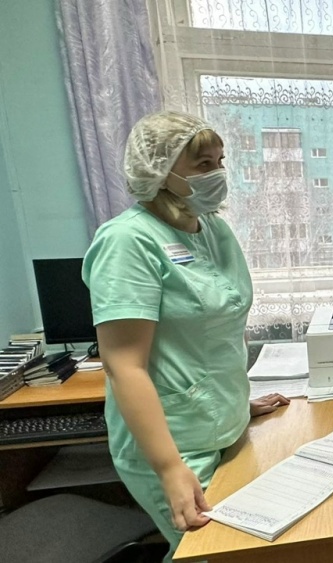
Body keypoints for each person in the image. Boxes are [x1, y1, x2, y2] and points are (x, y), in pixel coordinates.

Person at [83, 110, 289, 560]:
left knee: (241, 550)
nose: (218, 174)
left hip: (225, 427)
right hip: (175, 445)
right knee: (214, 552)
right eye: (203, 164)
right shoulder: (128, 241)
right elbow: (124, 365)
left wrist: (235, 402)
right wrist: (169, 467)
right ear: (159, 171)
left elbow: (213, 331)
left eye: (220, 161)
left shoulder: (212, 228)